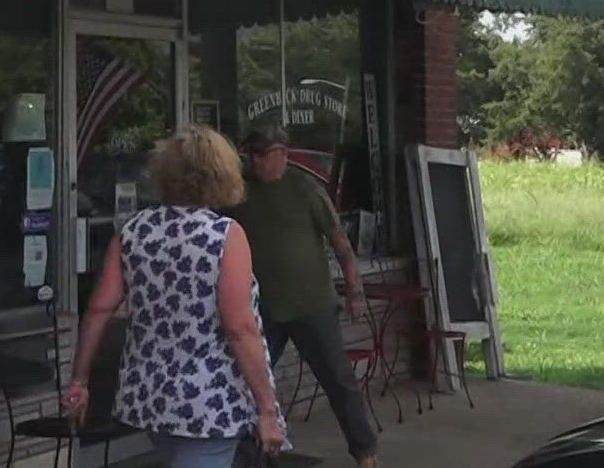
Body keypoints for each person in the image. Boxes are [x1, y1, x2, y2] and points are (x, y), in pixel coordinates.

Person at [64, 125, 286, 468]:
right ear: (221, 175)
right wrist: (267, 408)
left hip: (151, 395)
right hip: (209, 400)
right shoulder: (224, 236)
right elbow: (240, 328)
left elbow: (98, 308)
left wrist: (79, 380)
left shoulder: (134, 231)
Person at [231, 124, 379, 468]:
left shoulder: (305, 188)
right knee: (248, 384)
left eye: (260, 156)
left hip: (312, 304)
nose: (253, 162)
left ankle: (365, 453)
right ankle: (251, 458)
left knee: (339, 381)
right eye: (249, 155)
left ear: (282, 154)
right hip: (260, 308)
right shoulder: (237, 192)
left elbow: (340, 243)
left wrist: (355, 290)